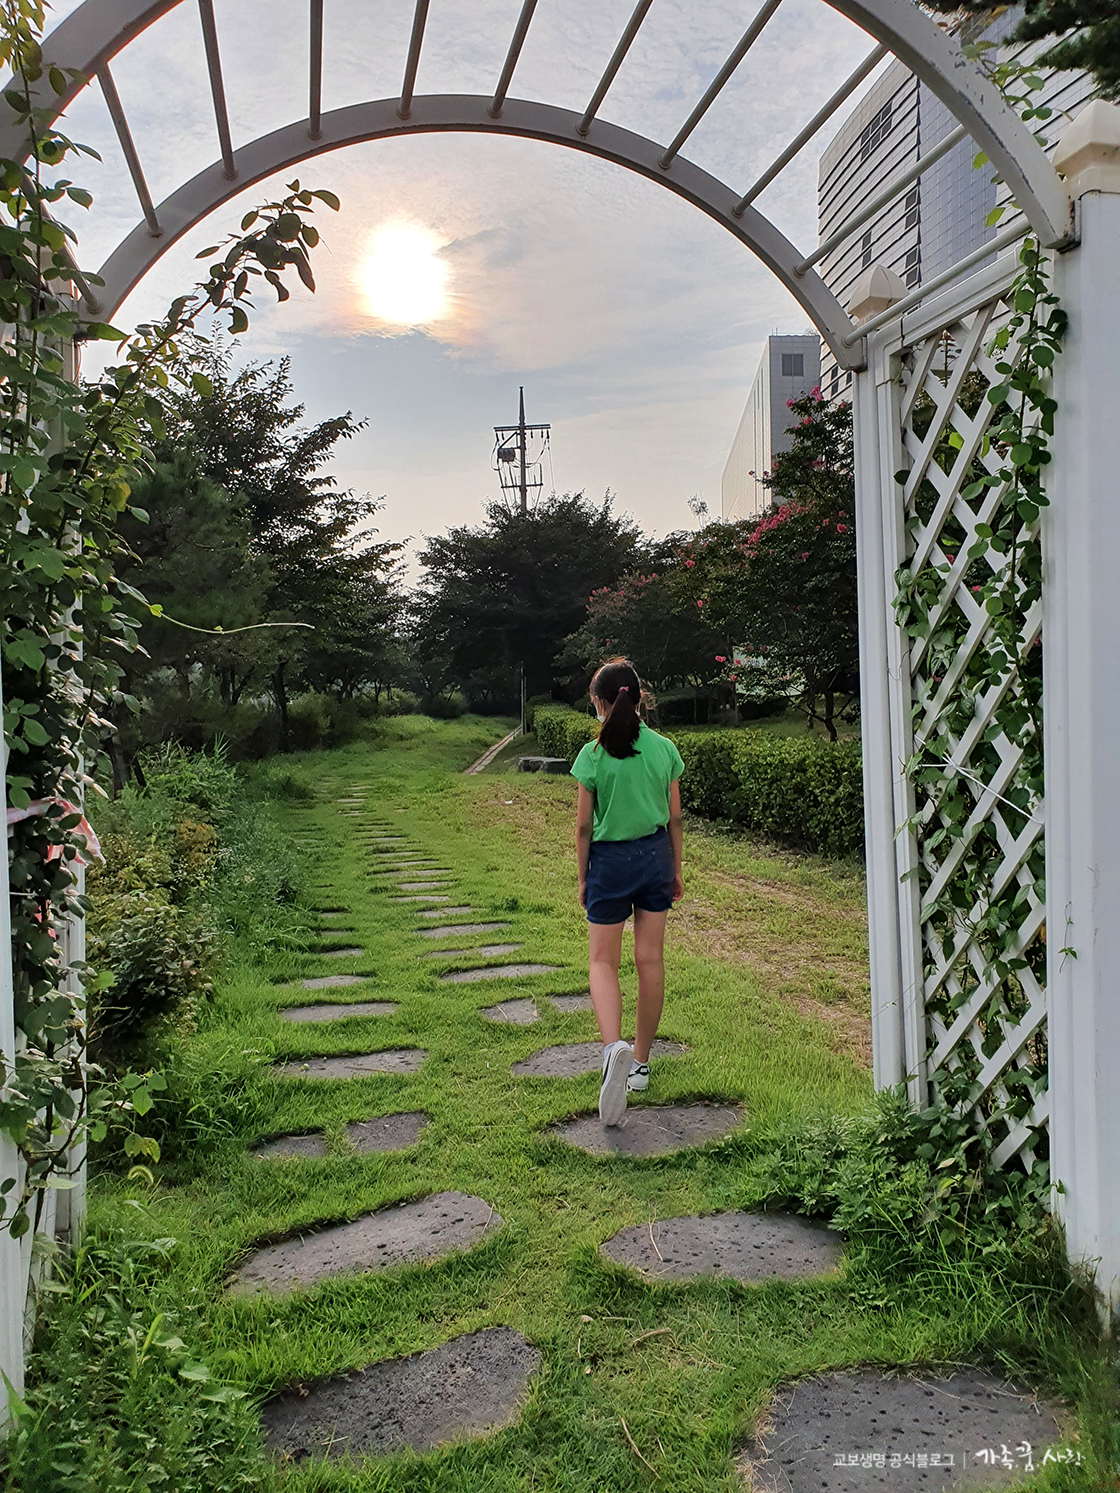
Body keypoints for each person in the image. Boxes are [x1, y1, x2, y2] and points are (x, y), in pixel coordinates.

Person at [571, 658, 684, 1126]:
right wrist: (676, 869)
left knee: (602, 961)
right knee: (650, 959)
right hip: (655, 856)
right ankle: (639, 1063)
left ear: (599, 703)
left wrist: (583, 877)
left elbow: (583, 827)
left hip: (610, 862)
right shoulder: (665, 749)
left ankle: (611, 1048)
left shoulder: (593, 755)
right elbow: (674, 818)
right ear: (640, 697)